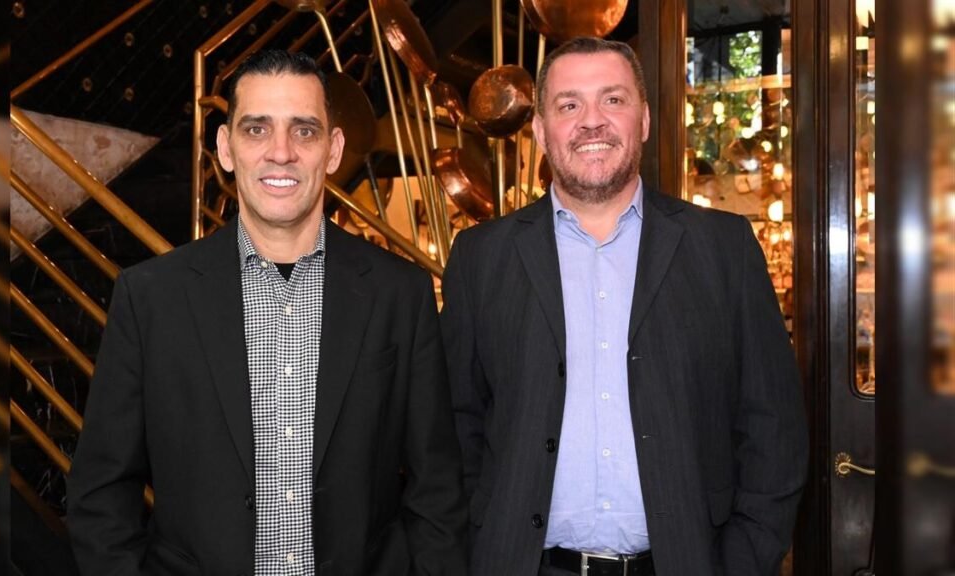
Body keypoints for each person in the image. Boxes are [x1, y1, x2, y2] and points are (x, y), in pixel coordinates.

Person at [67, 49, 467, 576]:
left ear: (333, 150)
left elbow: (437, 491)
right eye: (257, 129)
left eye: (304, 131)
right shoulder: (150, 298)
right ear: (225, 148)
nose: (281, 152)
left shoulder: (401, 294)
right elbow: (100, 495)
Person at [440, 37, 807, 576]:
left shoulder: (723, 249)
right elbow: (452, 431)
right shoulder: (480, 258)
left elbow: (773, 428)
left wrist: (742, 560)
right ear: (540, 130)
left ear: (645, 120)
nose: (592, 121)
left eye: (612, 100)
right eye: (569, 105)